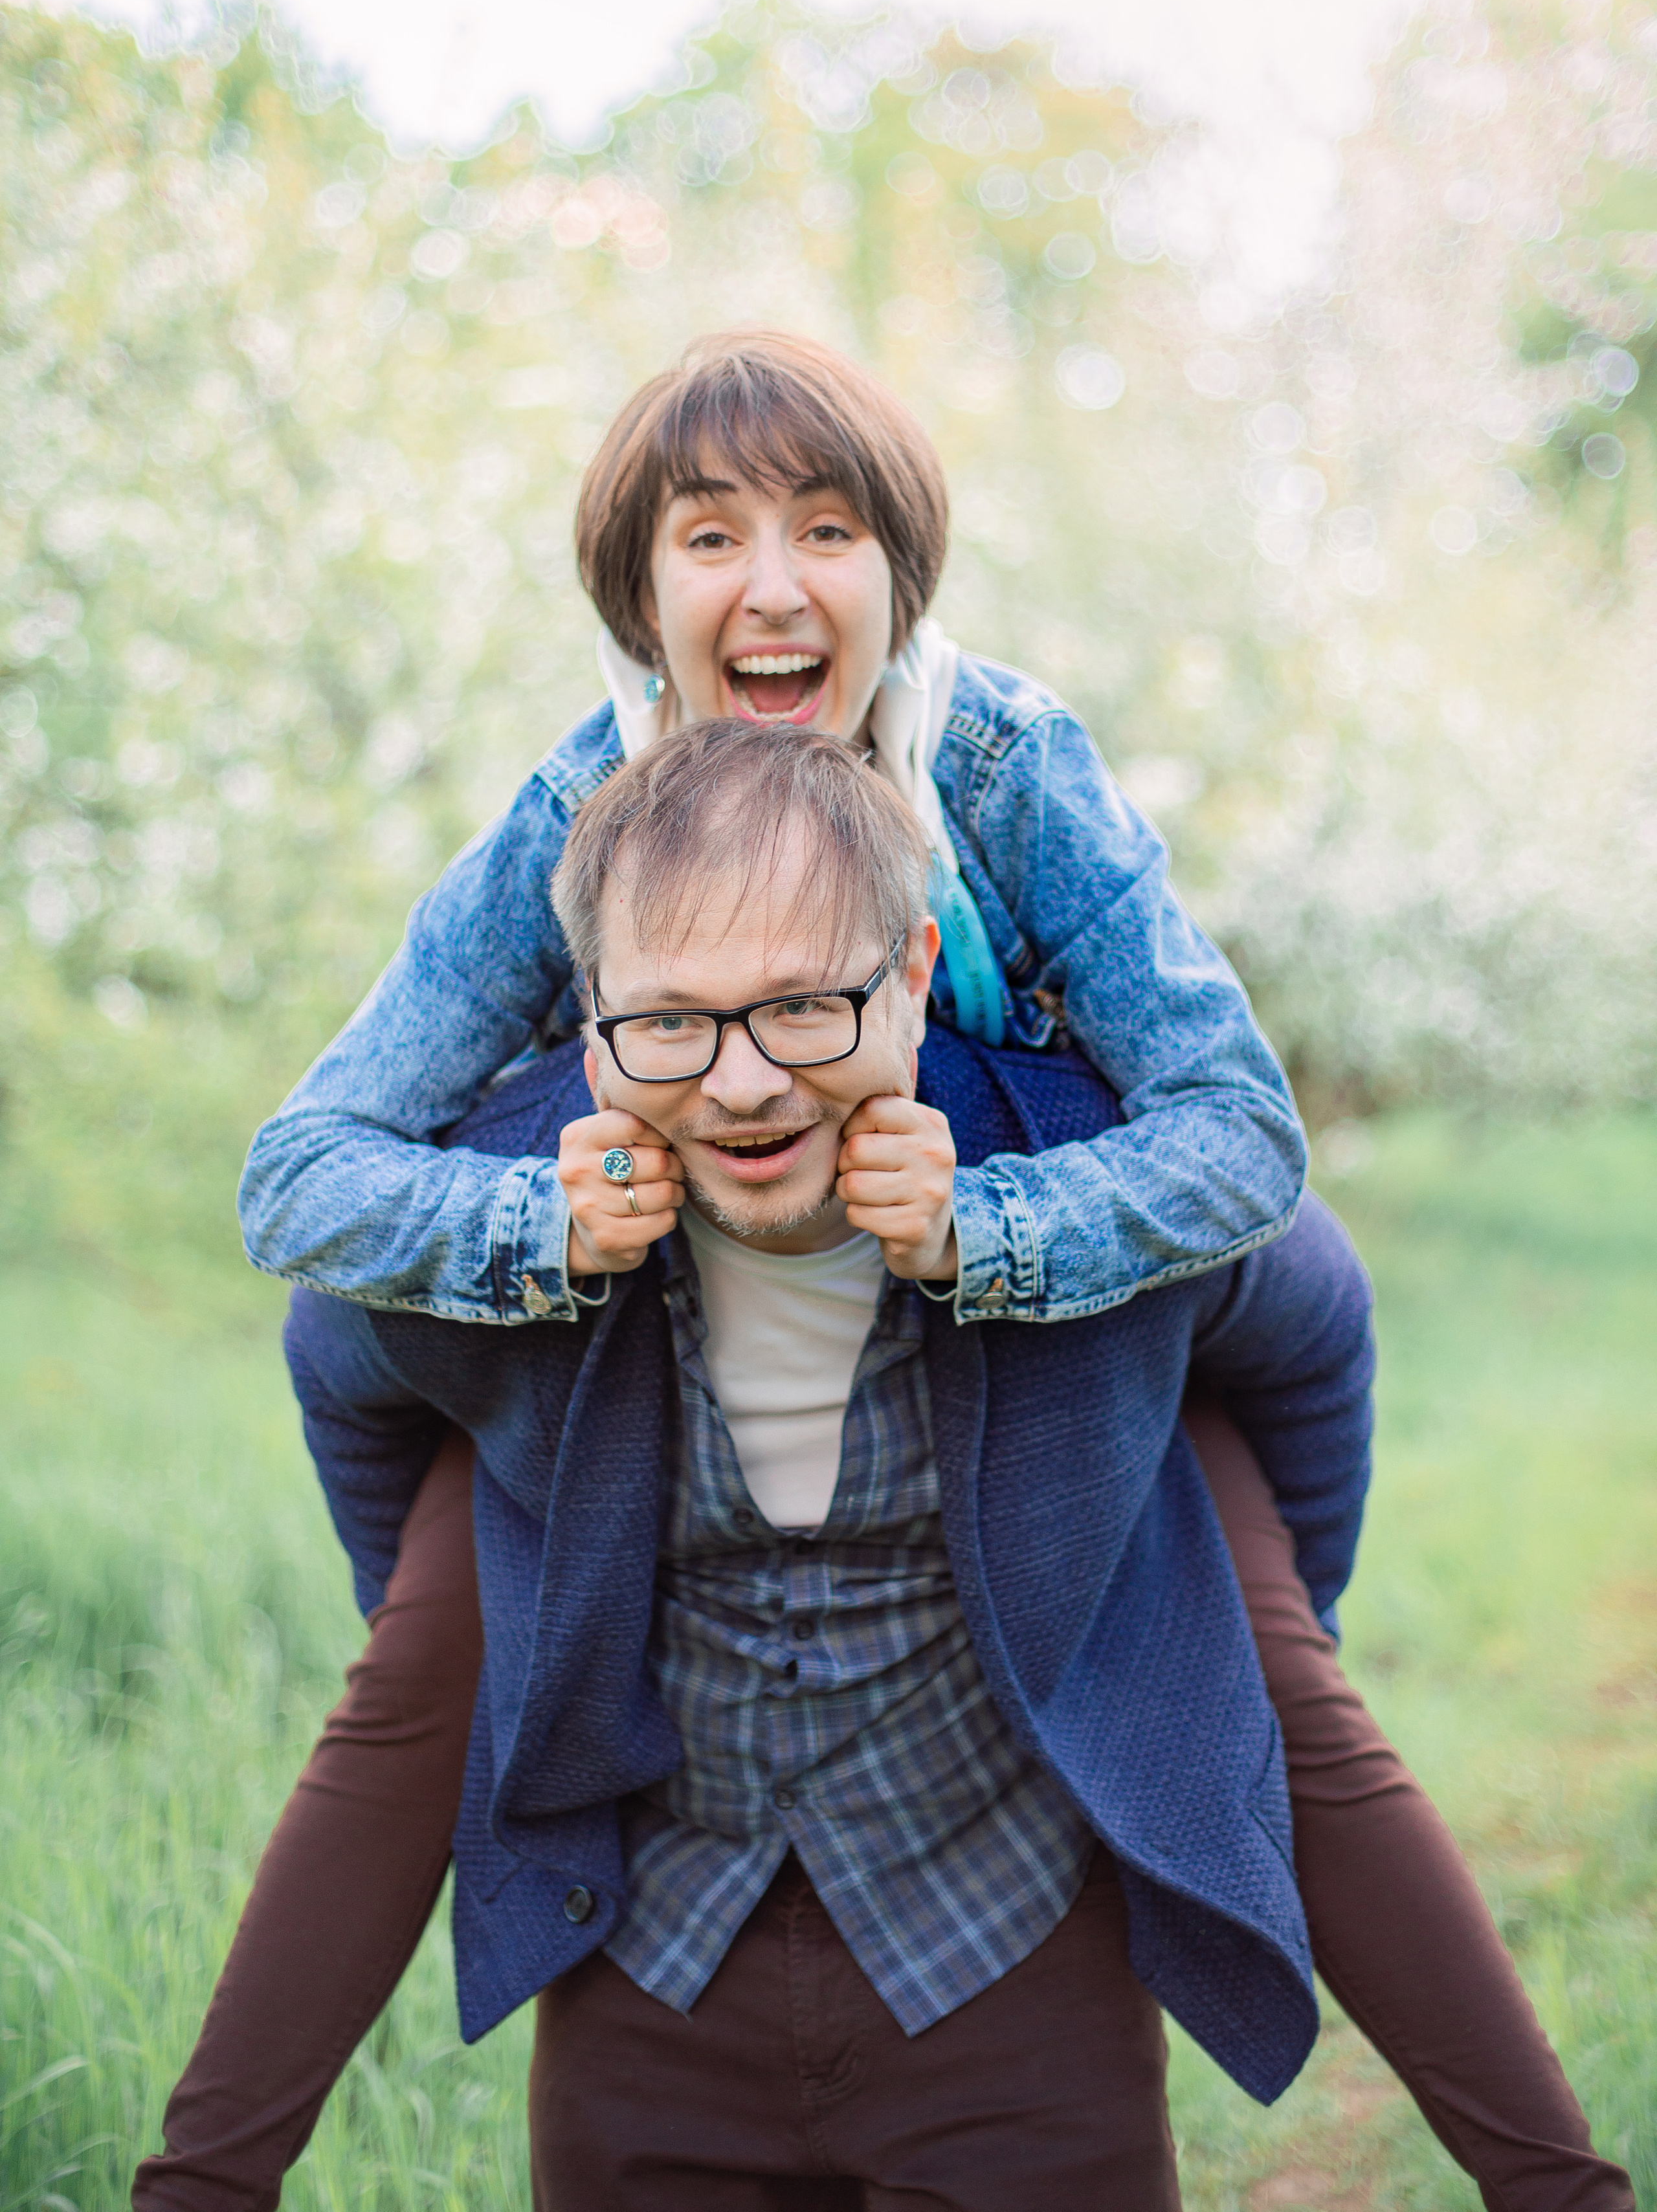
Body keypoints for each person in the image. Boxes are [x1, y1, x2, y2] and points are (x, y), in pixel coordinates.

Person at [133, 337, 1630, 2207]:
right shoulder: (571, 826)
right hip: (658, 1297)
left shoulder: (998, 761)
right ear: (637, 598)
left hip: (1041, 1277)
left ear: (901, 584)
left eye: (827, 529)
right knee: (440, 1636)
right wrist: (545, 1227)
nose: (772, 584)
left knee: (1260, 1661)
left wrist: (989, 1228)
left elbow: (1245, 1147)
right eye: (710, 536)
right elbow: (308, 1183)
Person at [282, 720, 1379, 2204]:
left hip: (1007, 1954)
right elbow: (338, 1361)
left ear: (914, 974)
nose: (740, 1085)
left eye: (801, 1006)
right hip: (651, 1966)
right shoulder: (526, 1212)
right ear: (589, 1016)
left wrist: (1256, 1615)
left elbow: (1306, 1321)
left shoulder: (1080, 1175)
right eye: (672, 1022)